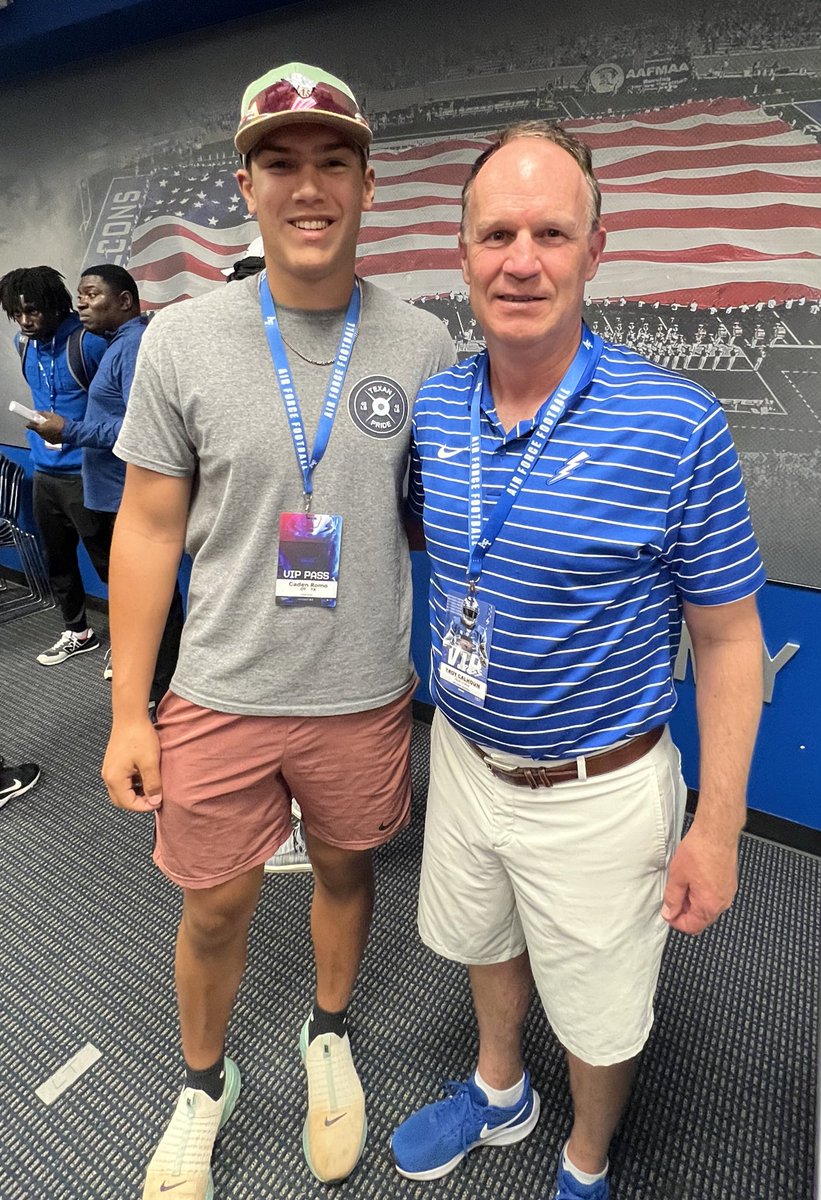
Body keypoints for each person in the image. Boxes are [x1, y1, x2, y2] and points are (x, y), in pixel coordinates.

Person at [391, 121, 765, 1200]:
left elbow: (730, 637)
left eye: (550, 232)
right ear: (461, 253)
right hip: (464, 755)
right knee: (484, 938)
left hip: (599, 789)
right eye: (495, 232)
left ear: (594, 250)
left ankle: (586, 1156)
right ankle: (500, 1092)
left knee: (602, 1010)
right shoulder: (437, 409)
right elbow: (435, 544)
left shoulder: (677, 426)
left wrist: (718, 822)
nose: (521, 260)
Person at [100, 61, 455, 1199]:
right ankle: (203, 1085)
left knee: (347, 872)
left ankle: (328, 1032)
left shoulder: (422, 345)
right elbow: (149, 532)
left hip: (360, 694)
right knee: (216, 904)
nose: (309, 187)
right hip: (219, 691)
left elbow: (437, 527)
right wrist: (127, 711)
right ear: (246, 185)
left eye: (332, 162)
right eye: (282, 163)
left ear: (364, 182)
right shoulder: (182, 342)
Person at [28, 264, 183, 708]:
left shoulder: (133, 346)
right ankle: (153, 681)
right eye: (80, 295)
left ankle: (163, 692)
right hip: (111, 494)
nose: (82, 303)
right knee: (138, 594)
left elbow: (142, 428)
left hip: (126, 497)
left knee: (153, 596)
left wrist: (70, 431)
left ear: (125, 301)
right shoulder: (118, 346)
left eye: (92, 294)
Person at [0, 266, 108, 665]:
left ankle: (133, 640)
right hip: (45, 473)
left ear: (55, 305)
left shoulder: (88, 343)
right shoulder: (23, 344)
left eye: (34, 312)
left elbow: (118, 407)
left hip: (89, 474)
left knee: (111, 563)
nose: (26, 321)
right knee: (57, 562)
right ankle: (78, 631)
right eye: (18, 314)